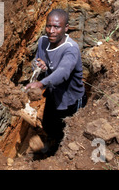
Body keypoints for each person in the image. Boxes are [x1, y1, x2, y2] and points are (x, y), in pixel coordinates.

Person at [25, 8, 87, 154]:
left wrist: (40, 84)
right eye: (49, 26)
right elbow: (41, 63)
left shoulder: (71, 49)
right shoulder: (43, 42)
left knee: (68, 131)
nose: (51, 30)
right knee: (48, 123)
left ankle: (61, 153)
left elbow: (63, 72)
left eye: (57, 27)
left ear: (66, 28)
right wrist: (40, 67)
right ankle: (50, 144)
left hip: (71, 99)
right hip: (54, 94)